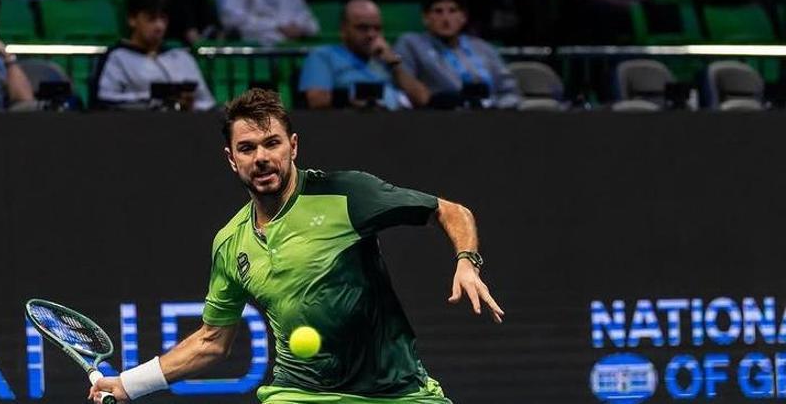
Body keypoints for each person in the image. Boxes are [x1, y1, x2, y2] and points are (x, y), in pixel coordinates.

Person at [88, 87, 504, 404]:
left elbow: (450, 211)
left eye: (272, 143)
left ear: (294, 146)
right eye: (247, 148)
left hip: (394, 390)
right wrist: (128, 384)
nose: (261, 158)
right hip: (300, 392)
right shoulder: (231, 244)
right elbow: (212, 341)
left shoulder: (346, 193)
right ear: (232, 159)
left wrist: (467, 261)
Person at [395, 0, 520, 109]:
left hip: (494, 117)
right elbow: (403, 87)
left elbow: (510, 91)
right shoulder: (412, 44)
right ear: (425, 17)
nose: (446, 18)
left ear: (463, 17)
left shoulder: (483, 48)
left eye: (452, 11)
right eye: (438, 11)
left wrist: (497, 109)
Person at [94, 0, 215, 110]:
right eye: (151, 19)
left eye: (163, 19)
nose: (159, 26)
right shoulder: (116, 57)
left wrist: (190, 105)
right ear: (132, 19)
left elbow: (208, 104)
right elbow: (104, 101)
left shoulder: (182, 57)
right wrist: (155, 101)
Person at [298, 0, 430, 110]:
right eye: (363, 28)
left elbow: (423, 99)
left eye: (377, 28)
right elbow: (317, 100)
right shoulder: (323, 55)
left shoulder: (386, 60)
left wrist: (395, 65)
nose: (371, 34)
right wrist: (356, 97)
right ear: (344, 30)